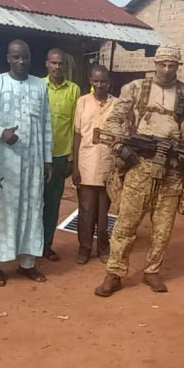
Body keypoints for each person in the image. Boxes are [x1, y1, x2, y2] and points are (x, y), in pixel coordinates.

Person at [94, 46, 184, 297]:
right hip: (140, 165)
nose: (167, 69)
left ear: (178, 66)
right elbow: (113, 121)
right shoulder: (136, 88)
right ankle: (114, 273)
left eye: (172, 65)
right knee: (126, 222)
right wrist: (119, 146)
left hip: (172, 169)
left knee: (163, 225)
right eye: (163, 64)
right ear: (155, 64)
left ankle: (152, 270)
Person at [0, 40, 52, 287]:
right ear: (8, 58)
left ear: (30, 59)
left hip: (33, 162)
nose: (21, 62)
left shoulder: (40, 86)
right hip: (3, 162)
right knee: (1, 211)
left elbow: (46, 124)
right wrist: (0, 132)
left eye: (25, 57)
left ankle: (27, 263)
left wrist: (47, 159)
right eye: (16, 57)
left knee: (32, 209)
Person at [72, 65, 115, 265]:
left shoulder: (117, 104)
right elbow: (78, 134)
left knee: (103, 212)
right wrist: (75, 167)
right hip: (86, 162)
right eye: (96, 81)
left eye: (103, 81)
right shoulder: (82, 102)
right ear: (91, 81)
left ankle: (103, 248)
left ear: (109, 82)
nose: (100, 85)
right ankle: (85, 249)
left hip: (108, 163)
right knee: (86, 211)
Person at [42, 48, 80, 262]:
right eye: (53, 63)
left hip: (59, 157)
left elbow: (76, 127)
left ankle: (46, 245)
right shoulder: (37, 86)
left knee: (53, 202)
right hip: (37, 156)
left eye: (61, 64)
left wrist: (71, 159)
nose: (57, 67)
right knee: (32, 202)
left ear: (66, 66)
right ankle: (30, 245)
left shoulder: (73, 90)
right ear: (47, 64)